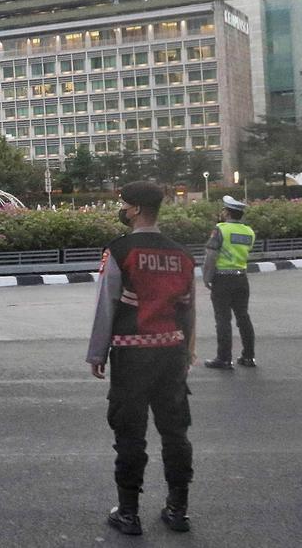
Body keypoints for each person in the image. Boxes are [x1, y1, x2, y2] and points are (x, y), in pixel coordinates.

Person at [86, 181, 196, 535]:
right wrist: (188, 351)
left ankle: (129, 513)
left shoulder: (120, 251)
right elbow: (189, 310)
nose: (121, 209)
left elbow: (108, 304)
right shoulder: (182, 254)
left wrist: (97, 352)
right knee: (175, 432)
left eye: (123, 204)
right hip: (172, 353)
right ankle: (178, 510)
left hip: (133, 355)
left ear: (133, 210)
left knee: (130, 434)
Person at [202, 195, 256, 370]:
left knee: (223, 319)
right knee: (243, 317)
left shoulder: (220, 229)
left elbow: (211, 255)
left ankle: (224, 358)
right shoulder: (249, 232)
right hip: (241, 278)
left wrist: (207, 277)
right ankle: (248, 357)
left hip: (222, 279)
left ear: (226, 212)